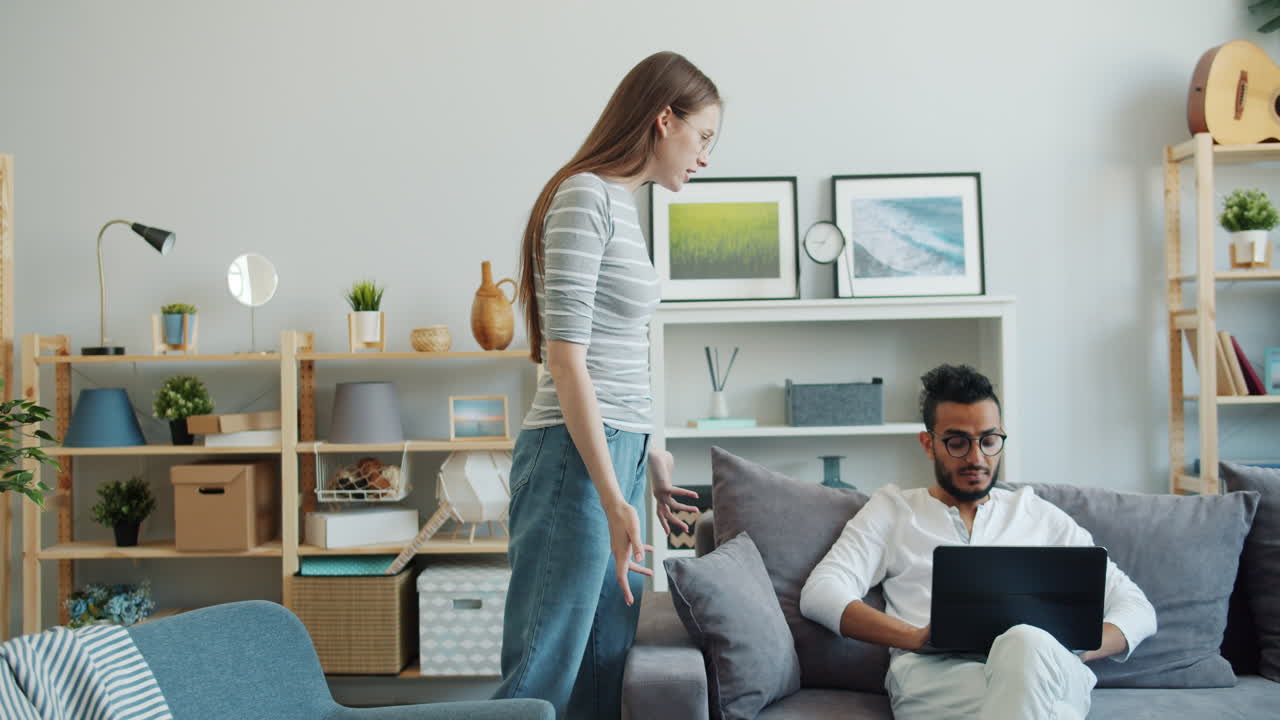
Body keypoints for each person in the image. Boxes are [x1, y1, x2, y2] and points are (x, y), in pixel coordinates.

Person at [492, 51, 721, 720]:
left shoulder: (623, 205)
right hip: (571, 459)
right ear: (662, 119)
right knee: (546, 665)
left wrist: (649, 458)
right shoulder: (583, 196)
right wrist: (612, 496)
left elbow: (622, 353)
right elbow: (567, 361)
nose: (705, 156)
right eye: (702, 136)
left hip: (614, 452)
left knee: (603, 664)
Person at [799, 364, 1157, 720]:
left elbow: (1137, 609)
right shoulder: (893, 510)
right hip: (936, 677)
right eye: (957, 443)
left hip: (1046, 667)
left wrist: (1074, 652)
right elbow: (822, 592)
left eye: (988, 441)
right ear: (928, 444)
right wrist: (915, 637)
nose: (976, 458)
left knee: (1025, 643)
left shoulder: (1038, 515)